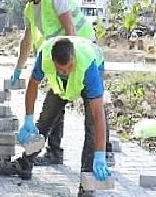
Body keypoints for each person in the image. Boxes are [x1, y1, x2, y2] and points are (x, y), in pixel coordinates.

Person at [10, 0, 96, 165]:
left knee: (92, 106)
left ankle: (102, 153)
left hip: (81, 53)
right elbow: (27, 40)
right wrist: (18, 68)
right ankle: (52, 152)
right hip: (57, 56)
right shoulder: (30, 9)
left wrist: (69, 66)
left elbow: (71, 32)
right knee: (54, 101)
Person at [15, 36, 111, 196]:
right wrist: (28, 119)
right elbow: (32, 84)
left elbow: (98, 116)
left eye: (68, 67)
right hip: (60, 87)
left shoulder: (89, 66)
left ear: (73, 58)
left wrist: (100, 154)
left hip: (87, 74)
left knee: (91, 130)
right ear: (53, 62)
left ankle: (87, 184)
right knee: (44, 122)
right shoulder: (45, 55)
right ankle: (26, 162)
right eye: (61, 69)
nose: (66, 72)